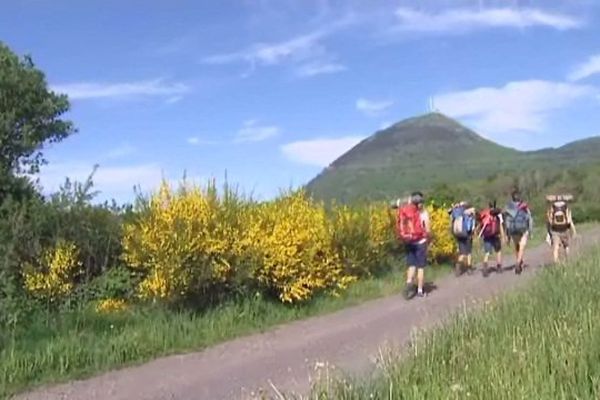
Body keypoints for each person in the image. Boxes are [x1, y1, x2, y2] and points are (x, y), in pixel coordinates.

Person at [395, 192, 431, 299]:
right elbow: (428, 230)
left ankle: (409, 283)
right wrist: (428, 238)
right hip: (421, 242)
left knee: (411, 265)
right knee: (420, 267)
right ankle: (420, 290)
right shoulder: (423, 213)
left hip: (409, 241)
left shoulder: (407, 211)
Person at [504, 191, 533, 275]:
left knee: (517, 246)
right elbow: (529, 219)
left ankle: (519, 261)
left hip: (513, 230)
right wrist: (530, 231)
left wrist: (507, 234)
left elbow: (507, 222)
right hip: (523, 229)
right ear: (519, 198)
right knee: (522, 247)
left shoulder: (509, 207)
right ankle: (518, 263)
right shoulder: (524, 206)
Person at [546, 195, 577, 263]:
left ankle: (556, 263)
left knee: (556, 247)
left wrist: (549, 231)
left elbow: (549, 220)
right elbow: (569, 220)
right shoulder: (566, 207)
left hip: (555, 229)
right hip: (565, 229)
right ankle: (567, 260)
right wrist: (573, 231)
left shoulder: (552, 207)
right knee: (566, 246)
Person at [478, 201, 505, 277]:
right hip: (495, 235)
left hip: (487, 236)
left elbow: (481, 225)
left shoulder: (485, 214)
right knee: (498, 250)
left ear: (489, 206)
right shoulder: (497, 214)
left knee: (487, 252)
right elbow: (500, 225)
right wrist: (503, 236)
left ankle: (485, 266)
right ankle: (499, 267)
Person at [449, 201, 476, 276]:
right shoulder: (469, 213)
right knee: (468, 252)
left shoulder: (456, 212)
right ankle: (469, 268)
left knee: (462, 253)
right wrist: (473, 233)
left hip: (459, 234)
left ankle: (458, 265)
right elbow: (472, 226)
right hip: (467, 234)